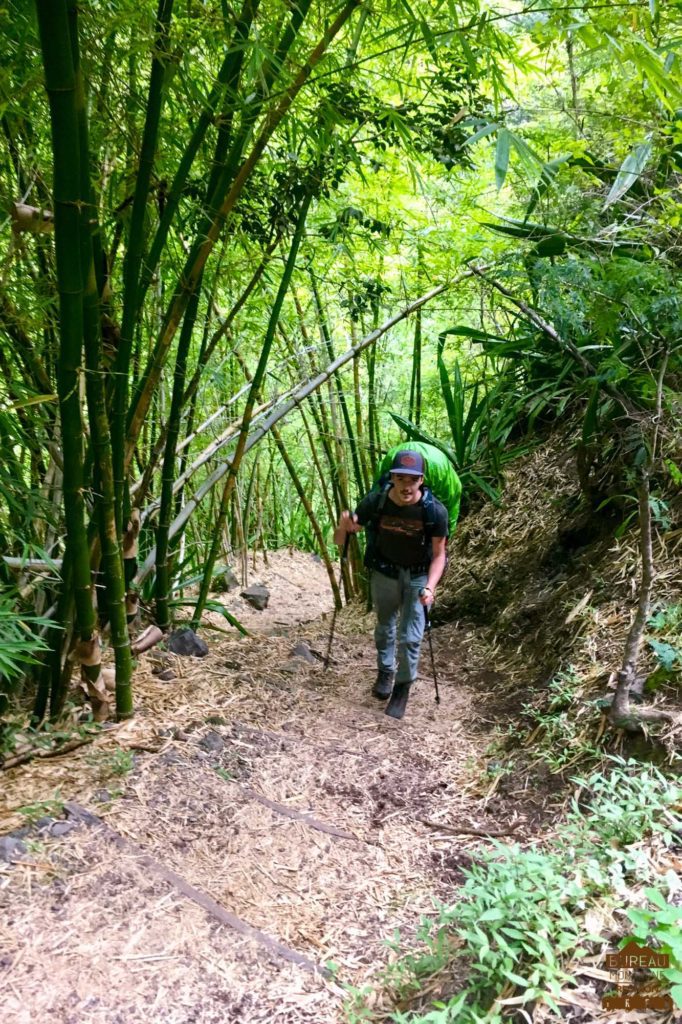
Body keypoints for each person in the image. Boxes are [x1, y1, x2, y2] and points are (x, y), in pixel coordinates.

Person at [333, 449, 448, 719]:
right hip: (384, 573)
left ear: (421, 480)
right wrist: (343, 524)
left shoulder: (434, 511)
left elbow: (440, 555)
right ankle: (385, 671)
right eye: (400, 478)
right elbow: (342, 540)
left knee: (411, 637)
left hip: (418, 576)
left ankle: (402, 687)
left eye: (412, 480)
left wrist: (431, 587)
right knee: (385, 627)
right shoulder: (376, 501)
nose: (406, 486)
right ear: (392, 478)